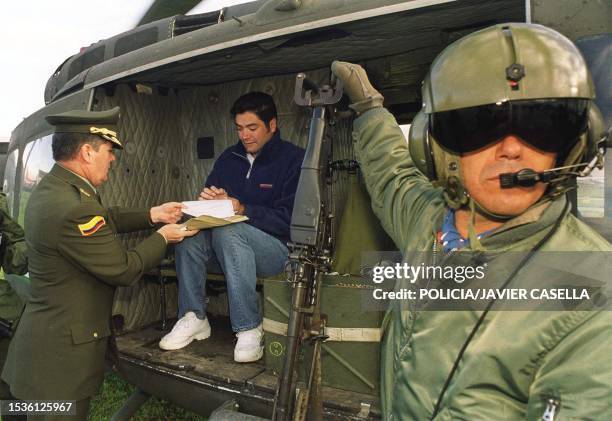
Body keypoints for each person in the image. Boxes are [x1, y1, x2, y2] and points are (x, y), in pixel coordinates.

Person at [331, 23, 612, 420]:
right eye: (480, 126)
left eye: (542, 125)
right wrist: (369, 108)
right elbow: (391, 173)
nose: (512, 150)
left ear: (575, 144)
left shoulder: (596, 293)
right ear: (435, 146)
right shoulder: (428, 220)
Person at [1, 107, 198, 420]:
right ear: (87, 152)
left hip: (39, 356)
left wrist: (152, 214)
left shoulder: (56, 189)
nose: (113, 158)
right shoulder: (73, 206)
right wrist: (164, 237)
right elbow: (124, 268)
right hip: (58, 370)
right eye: (109, 150)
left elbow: (105, 218)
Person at [159, 92, 305, 363]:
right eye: (239, 129)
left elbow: (290, 221)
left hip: (277, 252)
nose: (245, 136)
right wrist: (209, 205)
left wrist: (241, 208)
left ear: (272, 125)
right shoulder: (229, 158)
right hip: (227, 251)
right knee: (188, 231)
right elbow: (211, 200)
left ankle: (249, 327)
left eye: (252, 128)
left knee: (229, 230)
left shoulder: (294, 160)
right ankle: (193, 316)